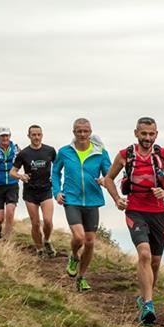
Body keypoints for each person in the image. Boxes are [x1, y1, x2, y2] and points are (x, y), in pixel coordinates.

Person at [104, 116, 164, 324]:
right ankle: (148, 304)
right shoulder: (124, 155)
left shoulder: (163, 155)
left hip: (158, 213)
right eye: (144, 134)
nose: (147, 138)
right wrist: (117, 199)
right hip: (135, 210)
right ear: (136, 133)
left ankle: (145, 298)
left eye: (151, 134)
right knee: (145, 254)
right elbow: (109, 179)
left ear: (156, 134)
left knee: (155, 262)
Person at [51, 118, 111, 292]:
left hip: (93, 201)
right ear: (74, 132)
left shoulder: (100, 152)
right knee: (79, 237)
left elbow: (109, 175)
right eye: (79, 131)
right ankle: (74, 256)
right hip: (72, 200)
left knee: (90, 242)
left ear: (90, 132)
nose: (82, 134)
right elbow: (55, 172)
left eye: (85, 131)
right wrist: (57, 192)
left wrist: (104, 180)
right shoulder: (64, 152)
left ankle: (81, 277)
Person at [10, 125, 57, 257]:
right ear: (29, 136)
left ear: (42, 135)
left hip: (46, 190)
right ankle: (39, 249)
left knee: (47, 220)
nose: (36, 137)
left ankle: (47, 240)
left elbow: (59, 166)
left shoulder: (50, 150)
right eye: (33, 135)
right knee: (35, 223)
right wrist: (21, 176)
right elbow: (12, 172)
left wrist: (57, 180)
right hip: (30, 191)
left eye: (38, 134)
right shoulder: (23, 153)